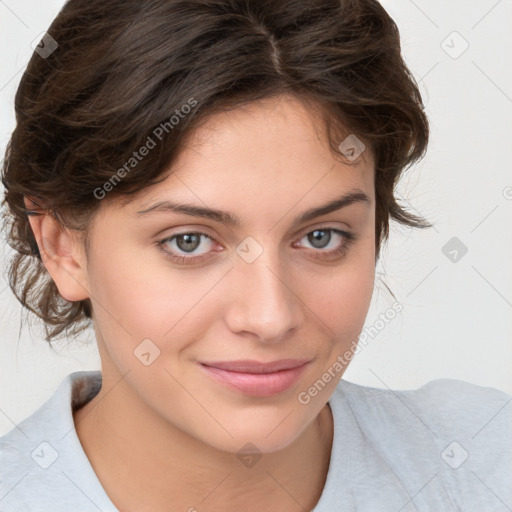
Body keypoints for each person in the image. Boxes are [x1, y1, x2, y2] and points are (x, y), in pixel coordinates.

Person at [0, 0, 510, 510]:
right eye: (189, 241)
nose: (270, 318)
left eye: (321, 237)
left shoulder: (485, 460)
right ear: (62, 247)